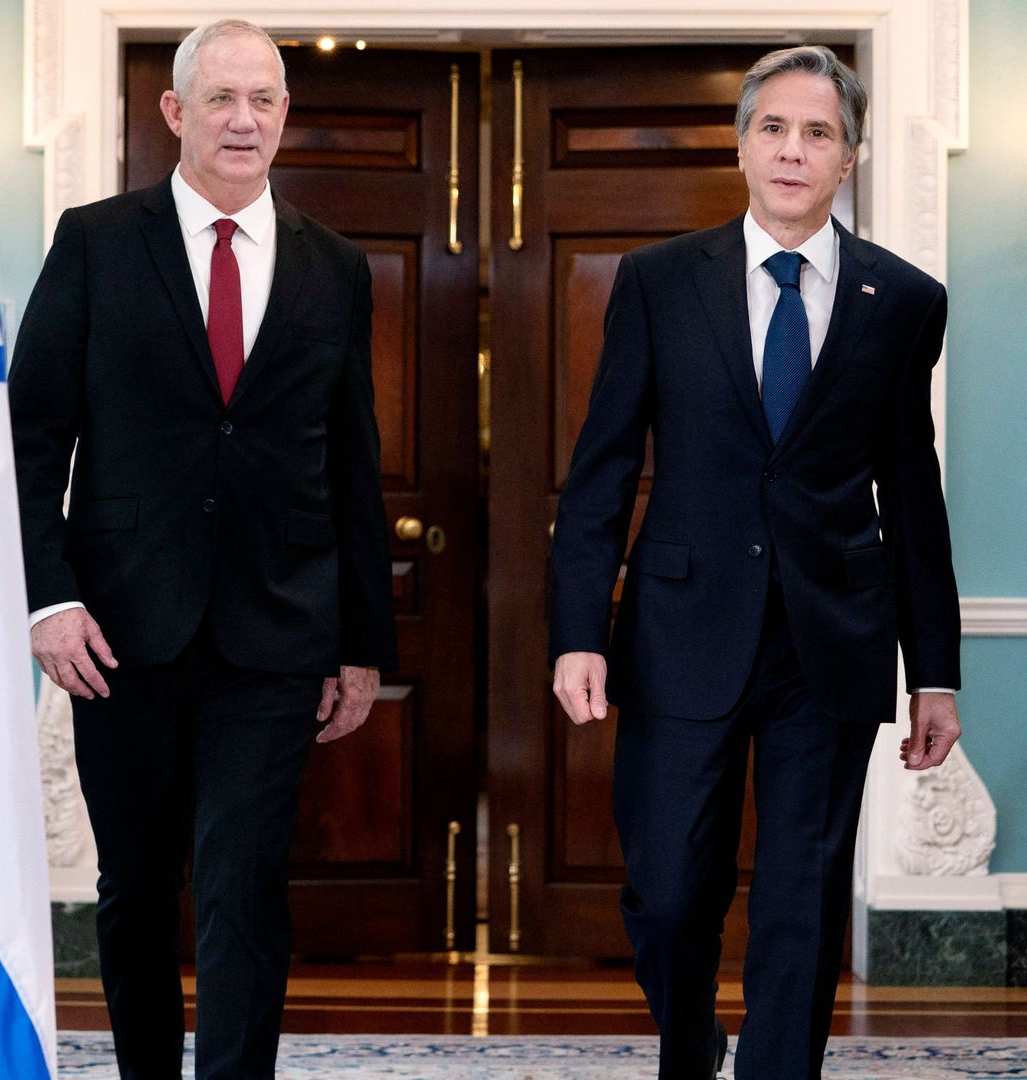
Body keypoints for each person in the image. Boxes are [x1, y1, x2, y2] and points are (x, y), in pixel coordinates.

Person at [549, 45, 961, 1080]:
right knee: (665, 892)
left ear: (848, 158)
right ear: (740, 147)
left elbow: (913, 496)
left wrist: (936, 671)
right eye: (773, 128)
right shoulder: (658, 283)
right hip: (679, 632)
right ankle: (691, 1042)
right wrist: (577, 634)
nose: (792, 150)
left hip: (830, 643)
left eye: (818, 133)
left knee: (801, 899)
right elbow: (601, 474)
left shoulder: (903, 300)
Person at [9, 18, 398, 1080]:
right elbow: (32, 436)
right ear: (175, 112)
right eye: (221, 98)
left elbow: (352, 462)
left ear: (284, 115)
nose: (243, 120)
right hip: (120, 631)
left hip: (276, 634)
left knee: (243, 885)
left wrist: (363, 644)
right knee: (135, 889)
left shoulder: (335, 267)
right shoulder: (97, 243)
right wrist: (50, 597)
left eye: (263, 100)